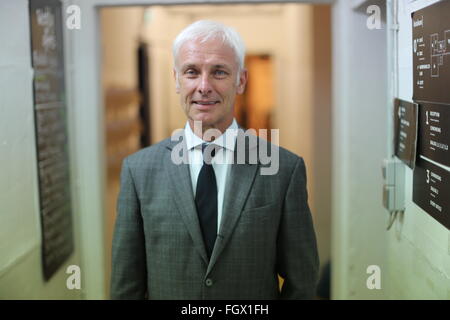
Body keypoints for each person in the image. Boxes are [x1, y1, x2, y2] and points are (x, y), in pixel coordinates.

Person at [110, 20, 319, 300]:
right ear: (176, 79)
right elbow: (126, 285)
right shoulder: (138, 171)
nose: (204, 86)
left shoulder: (283, 169)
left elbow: (302, 282)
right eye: (192, 72)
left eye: (219, 72)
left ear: (241, 80)